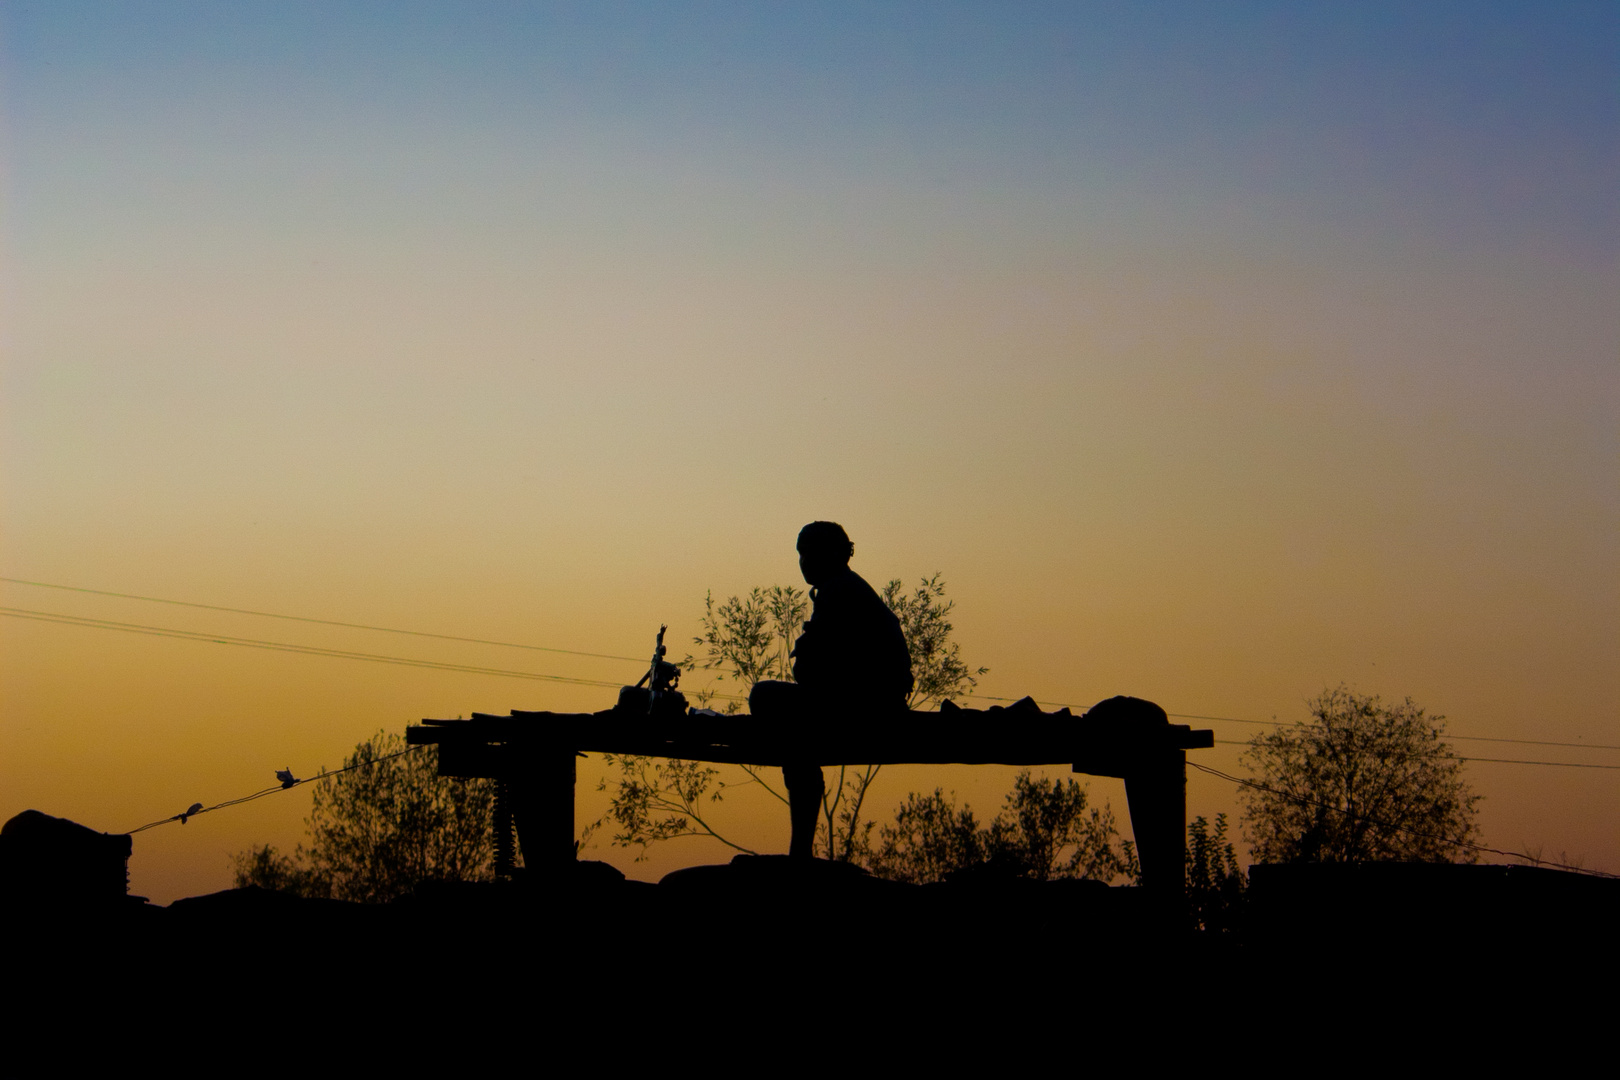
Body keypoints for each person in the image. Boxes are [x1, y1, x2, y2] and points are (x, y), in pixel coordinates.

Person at [749, 521, 913, 858]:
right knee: (791, 734)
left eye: (810, 553)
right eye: (801, 554)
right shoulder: (843, 589)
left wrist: (807, 657)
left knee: (765, 698)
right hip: (862, 704)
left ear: (835, 554)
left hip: (865, 710)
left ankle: (801, 851)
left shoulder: (841, 591)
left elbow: (817, 671)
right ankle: (801, 849)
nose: (804, 561)